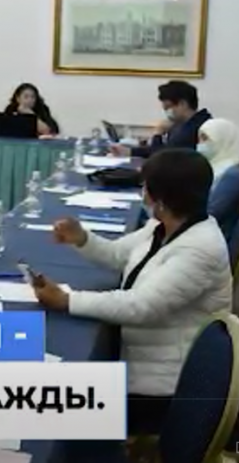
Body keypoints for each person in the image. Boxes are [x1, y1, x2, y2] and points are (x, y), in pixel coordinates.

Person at [30, 148, 232, 435]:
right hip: (139, 358)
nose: (142, 194)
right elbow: (117, 255)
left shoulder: (201, 248)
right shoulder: (163, 226)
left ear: (161, 198)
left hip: (163, 388)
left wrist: (67, 300)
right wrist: (82, 238)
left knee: (56, 403)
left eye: (145, 187)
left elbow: (141, 306)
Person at [110, 81, 211, 158]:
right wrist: (129, 151)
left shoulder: (196, 128)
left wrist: (157, 134)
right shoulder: (182, 124)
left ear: (182, 104)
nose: (167, 113)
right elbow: (163, 149)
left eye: (168, 108)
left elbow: (160, 157)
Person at [200, 119, 239, 264]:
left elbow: (213, 212)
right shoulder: (213, 165)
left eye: (205, 139)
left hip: (215, 244)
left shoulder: (232, 174)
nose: (200, 144)